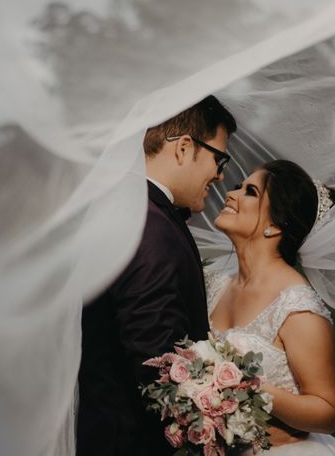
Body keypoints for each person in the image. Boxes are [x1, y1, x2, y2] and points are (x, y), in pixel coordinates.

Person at [77, 95, 236, 456]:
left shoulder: (130, 211)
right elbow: (156, 361)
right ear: (183, 148)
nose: (221, 174)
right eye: (218, 157)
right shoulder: (151, 229)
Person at [207, 160, 335, 455]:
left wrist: (249, 388)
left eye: (249, 191)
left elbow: (328, 412)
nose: (231, 194)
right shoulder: (215, 284)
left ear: (274, 226)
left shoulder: (297, 306)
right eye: (238, 186)